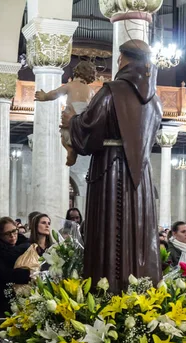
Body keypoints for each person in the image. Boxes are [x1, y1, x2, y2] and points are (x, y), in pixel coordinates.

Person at [64, 39, 162, 292]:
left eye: (119, 59)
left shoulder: (112, 90)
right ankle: (142, 295)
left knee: (109, 234)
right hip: (141, 176)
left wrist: (72, 120)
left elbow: (89, 129)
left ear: (123, 59)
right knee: (138, 232)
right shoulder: (155, 101)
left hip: (110, 171)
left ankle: (107, 292)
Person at [36, 61, 96, 166]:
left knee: (64, 138)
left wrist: (45, 96)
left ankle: (70, 150)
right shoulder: (91, 91)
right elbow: (93, 107)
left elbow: (55, 93)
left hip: (71, 117)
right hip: (82, 121)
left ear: (76, 72)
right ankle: (74, 150)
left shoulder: (70, 85)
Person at [0, 217, 31, 315]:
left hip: (26, 299)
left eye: (14, 231)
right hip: (2, 301)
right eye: (7, 234)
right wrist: (29, 273)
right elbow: (3, 274)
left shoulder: (26, 246)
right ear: (0, 235)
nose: (12, 236)